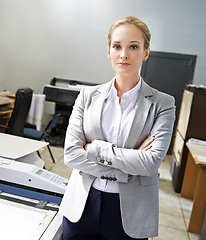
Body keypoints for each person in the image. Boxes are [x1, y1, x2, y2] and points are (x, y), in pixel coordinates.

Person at [59, 16, 176, 240]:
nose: (124, 54)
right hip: (82, 205)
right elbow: (71, 155)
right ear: (109, 51)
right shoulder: (87, 96)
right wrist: (131, 165)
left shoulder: (163, 103)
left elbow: (150, 163)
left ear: (145, 53)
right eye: (117, 46)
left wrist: (94, 149)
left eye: (133, 46)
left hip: (130, 212)